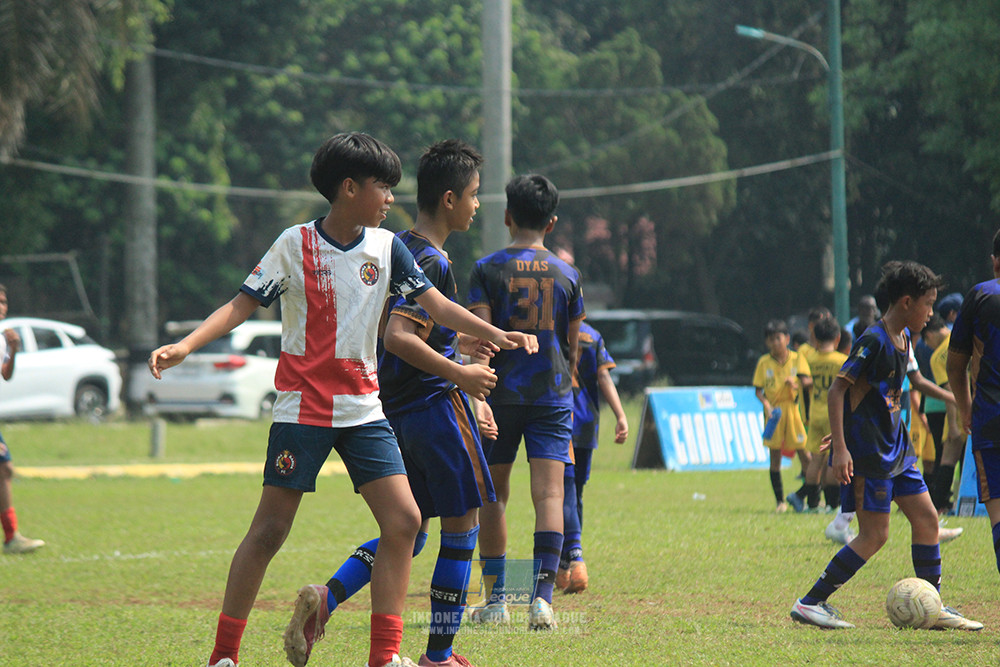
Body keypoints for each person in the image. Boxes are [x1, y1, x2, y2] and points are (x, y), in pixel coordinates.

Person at [148, 133, 537, 667]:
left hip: (365, 410)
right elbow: (242, 304)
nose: (390, 200)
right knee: (268, 532)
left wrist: (499, 335)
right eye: (383, 187)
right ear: (349, 188)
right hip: (302, 410)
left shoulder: (388, 247)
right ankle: (223, 656)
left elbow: (439, 307)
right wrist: (186, 345)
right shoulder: (294, 244)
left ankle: (384, 657)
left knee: (403, 521)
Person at [281, 139, 506, 667]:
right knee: (463, 525)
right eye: (475, 195)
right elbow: (402, 336)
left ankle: (327, 599)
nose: (478, 205)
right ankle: (439, 655)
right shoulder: (431, 262)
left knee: (411, 529)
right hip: (432, 408)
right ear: (449, 199)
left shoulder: (388, 244)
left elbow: (394, 331)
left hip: (393, 411)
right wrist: (463, 377)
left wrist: (460, 347)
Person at [790, 261, 981, 630]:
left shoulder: (905, 339)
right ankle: (810, 602)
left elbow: (872, 397)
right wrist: (843, 447)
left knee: (927, 520)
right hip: (872, 456)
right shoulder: (874, 339)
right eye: (928, 304)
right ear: (907, 302)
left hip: (899, 451)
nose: (931, 314)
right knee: (875, 535)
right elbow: (837, 389)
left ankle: (933, 605)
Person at [466, 173, 585, 630]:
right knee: (550, 493)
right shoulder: (568, 274)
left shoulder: (486, 268)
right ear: (551, 223)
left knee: (493, 494)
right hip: (552, 396)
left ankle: (496, 601)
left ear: (507, 216)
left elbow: (480, 338)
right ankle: (542, 601)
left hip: (496, 395)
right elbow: (572, 347)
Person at [557, 319, 628, 594]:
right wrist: (620, 415)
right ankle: (566, 564)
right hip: (587, 423)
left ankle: (574, 556)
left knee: (565, 491)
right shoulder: (593, 335)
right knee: (576, 492)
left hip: (558, 418)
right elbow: (603, 376)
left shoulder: (552, 329)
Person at [947, 228, 1000, 580]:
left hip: (990, 417)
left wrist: (965, 407)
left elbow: (956, 364)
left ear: (995, 261)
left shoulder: (981, 294)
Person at [0, 284, 45, 555]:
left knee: (4, 469)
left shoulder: (4, 337)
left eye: (4, 301)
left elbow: (6, 374)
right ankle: (11, 535)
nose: (2, 306)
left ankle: (11, 536)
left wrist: (14, 349)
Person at [787, 317, 846, 515]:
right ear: (837, 338)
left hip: (815, 413)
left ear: (816, 339)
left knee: (815, 459)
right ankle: (832, 504)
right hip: (834, 415)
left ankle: (812, 504)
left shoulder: (810, 359)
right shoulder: (841, 361)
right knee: (832, 458)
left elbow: (804, 381)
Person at [752, 319, 812, 513]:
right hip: (774, 413)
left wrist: (795, 385)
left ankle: (811, 496)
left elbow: (807, 381)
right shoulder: (763, 362)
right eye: (771, 340)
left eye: (778, 338)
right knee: (775, 456)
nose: (775, 343)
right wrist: (767, 405)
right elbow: (758, 390)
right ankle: (780, 501)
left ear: (786, 338)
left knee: (806, 454)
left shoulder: (797, 358)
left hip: (793, 410)